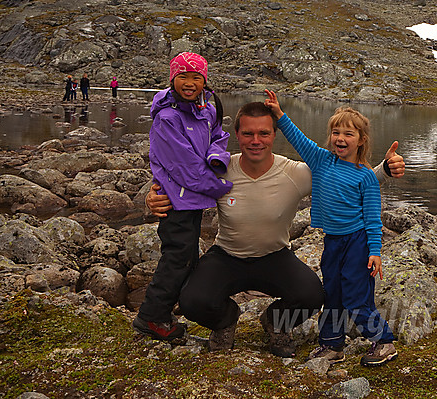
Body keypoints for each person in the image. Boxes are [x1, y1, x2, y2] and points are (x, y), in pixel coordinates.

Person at [145, 101, 404, 356]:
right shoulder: (219, 170)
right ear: (237, 135)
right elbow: (182, 183)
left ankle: (278, 324)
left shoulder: (298, 172)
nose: (256, 140)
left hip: (277, 256)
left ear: (273, 135)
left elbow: (352, 179)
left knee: (315, 295)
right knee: (192, 300)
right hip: (227, 256)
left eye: (264, 133)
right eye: (248, 133)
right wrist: (152, 196)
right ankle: (227, 323)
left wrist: (386, 170)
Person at [265, 90, 397, 367]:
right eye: (336, 132)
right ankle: (332, 345)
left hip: (358, 243)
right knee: (333, 294)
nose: (340, 138)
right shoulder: (321, 160)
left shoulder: (366, 178)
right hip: (333, 242)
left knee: (356, 297)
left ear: (361, 141)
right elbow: (297, 138)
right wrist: (279, 114)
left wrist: (375, 252)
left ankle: (383, 342)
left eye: (349, 134)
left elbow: (373, 219)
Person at [133, 52, 232, 341]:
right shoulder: (167, 118)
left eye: (196, 77)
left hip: (193, 201)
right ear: (172, 79)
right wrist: (223, 189)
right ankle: (151, 316)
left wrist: (216, 156)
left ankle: (163, 312)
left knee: (186, 257)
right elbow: (186, 168)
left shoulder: (208, 110)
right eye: (183, 76)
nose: (190, 83)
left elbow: (219, 136)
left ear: (204, 80)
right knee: (177, 257)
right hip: (176, 201)